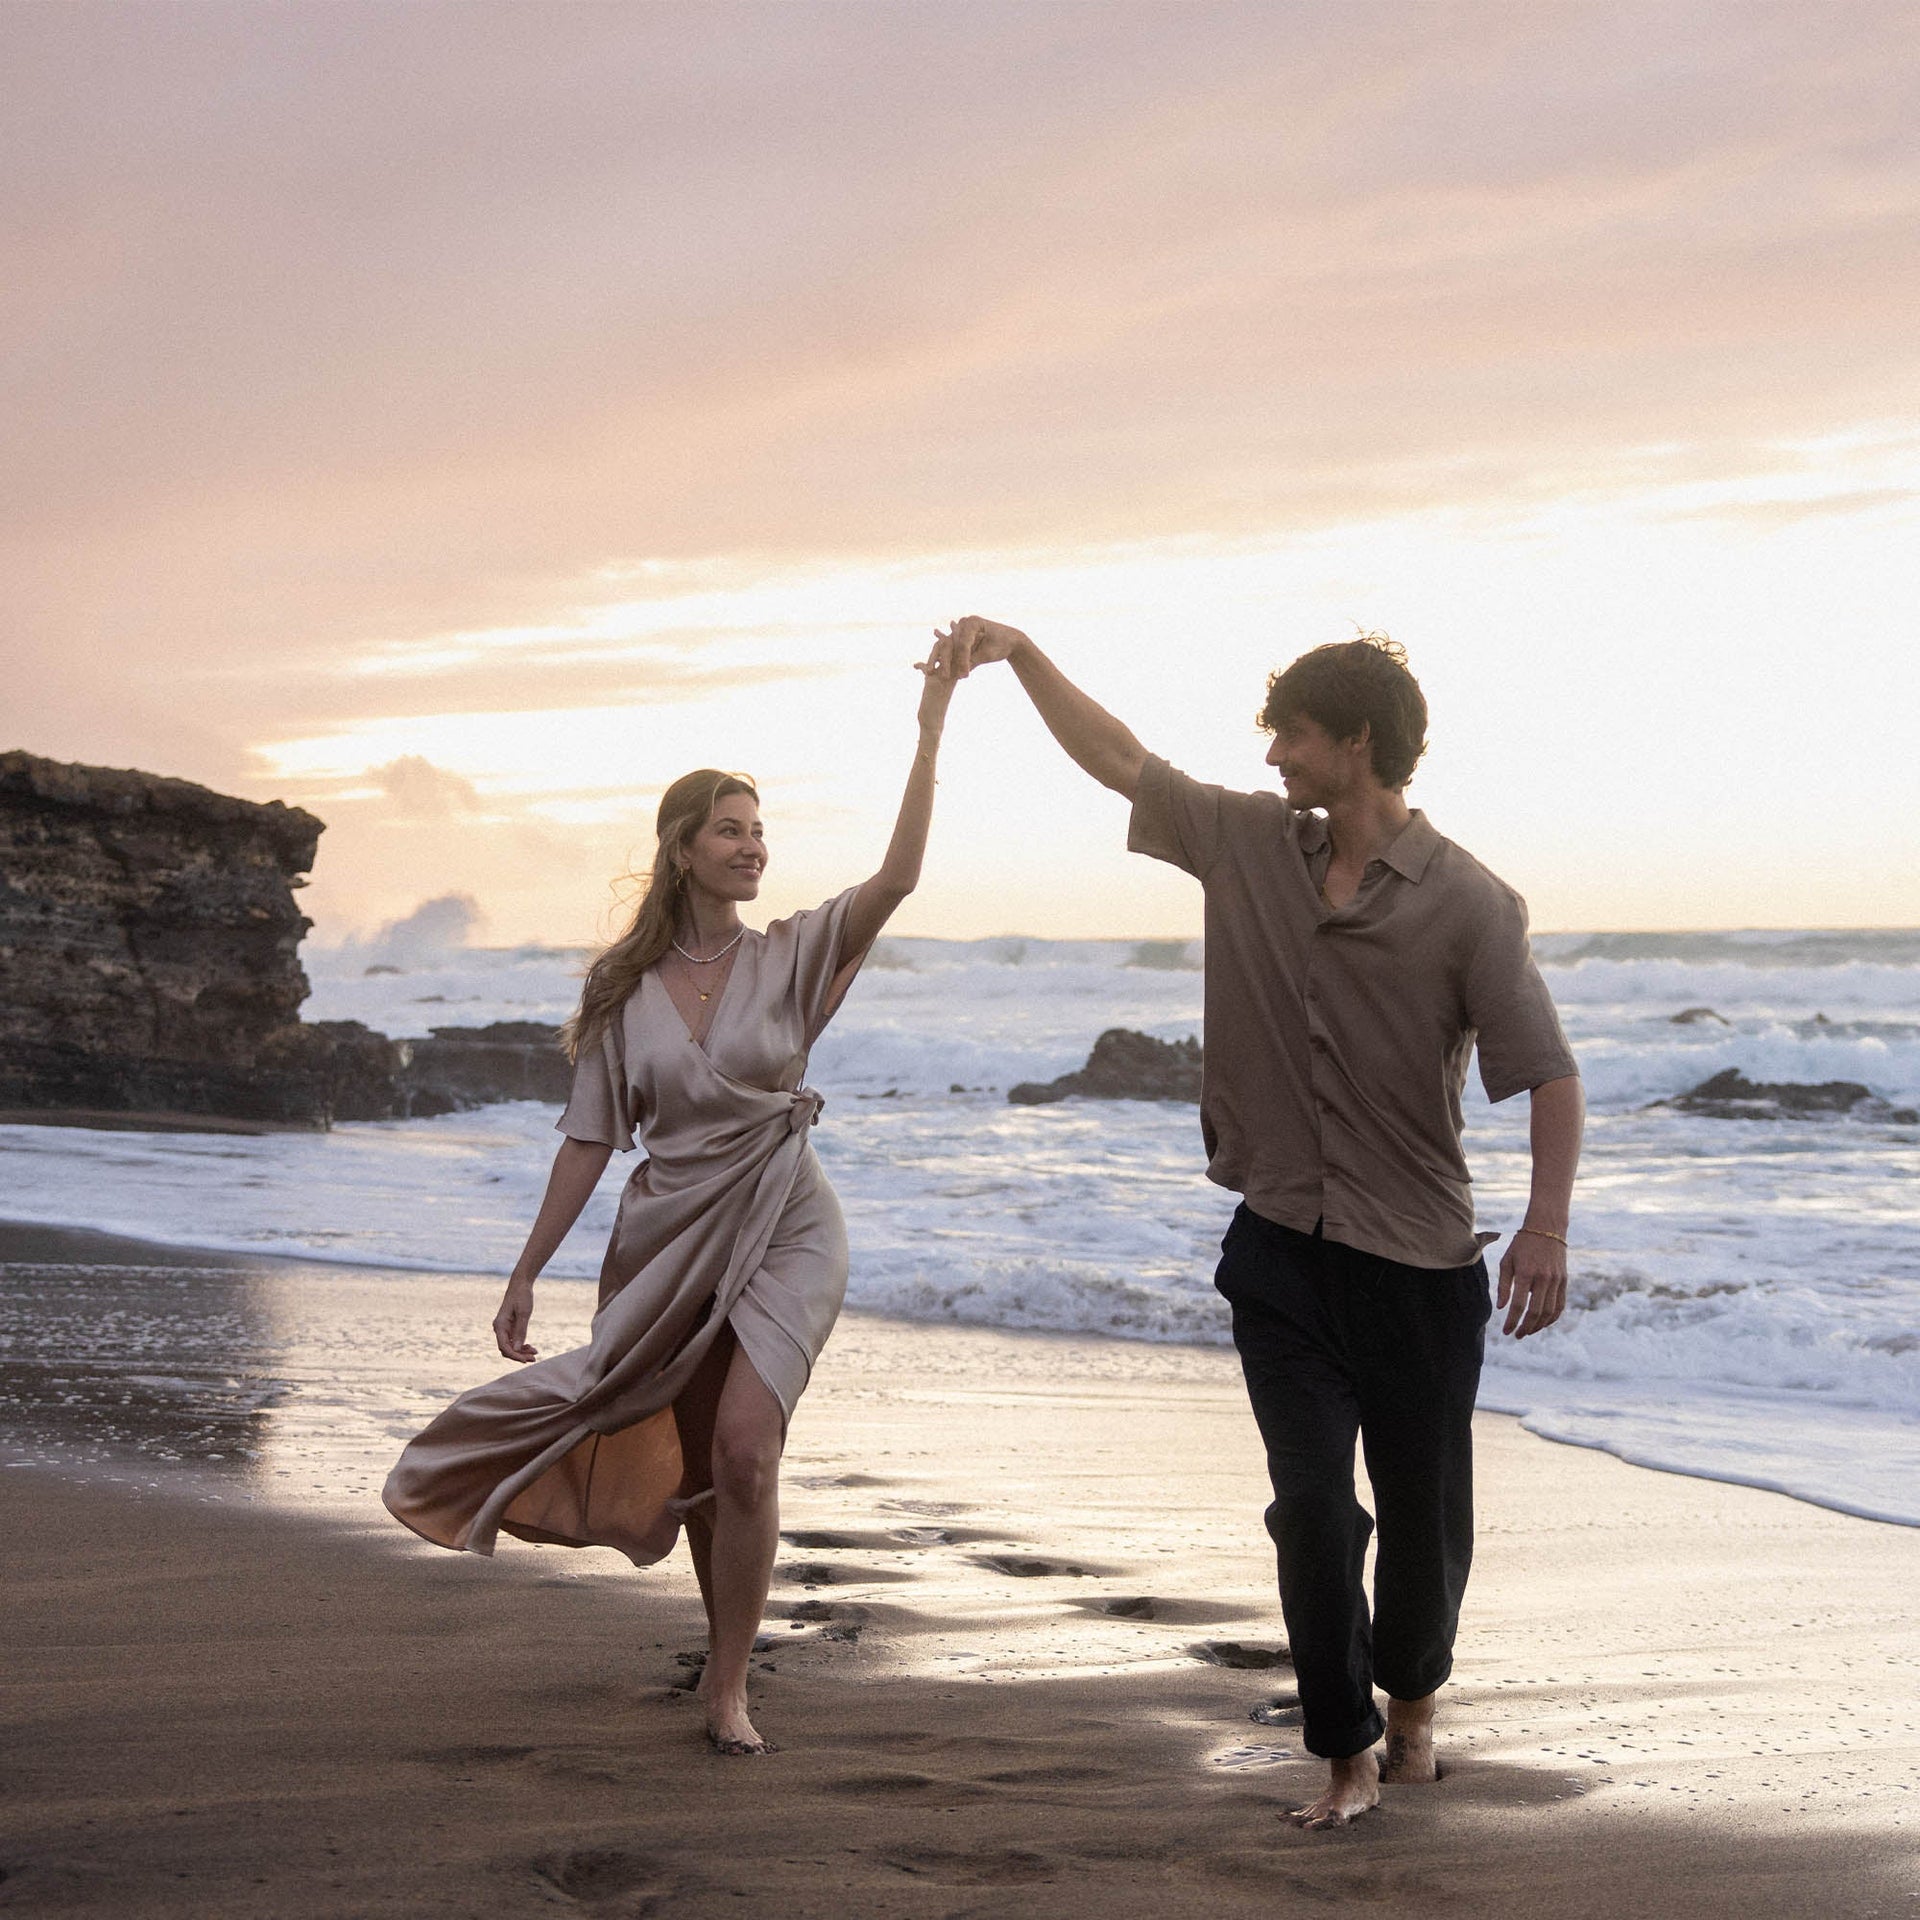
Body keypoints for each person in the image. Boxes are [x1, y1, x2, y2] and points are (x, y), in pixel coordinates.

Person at [929, 616, 1583, 1829]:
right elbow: (1121, 759)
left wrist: (1544, 1228)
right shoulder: (1244, 844)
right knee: (1315, 1513)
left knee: (1428, 1518)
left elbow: (1548, 1072)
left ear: (1359, 743)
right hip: (1280, 1247)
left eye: (1294, 733)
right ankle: (1341, 1756)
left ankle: (1414, 1704)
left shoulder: (1473, 905)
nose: (1274, 754)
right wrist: (1021, 659)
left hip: (1420, 1262)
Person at [383, 655, 958, 1757]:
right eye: (731, 829)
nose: (753, 845)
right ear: (683, 848)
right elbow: (590, 1141)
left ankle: (728, 1684)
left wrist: (928, 727)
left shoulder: (794, 954)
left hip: (787, 1219)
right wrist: (524, 1269)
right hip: (672, 1240)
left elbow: (897, 878)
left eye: (759, 828)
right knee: (704, 1464)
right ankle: (720, 1640)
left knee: (747, 1447)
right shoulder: (620, 991)